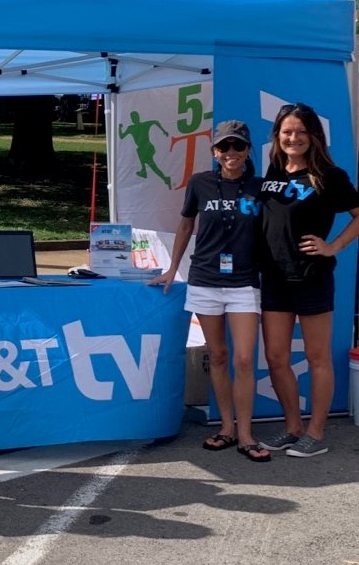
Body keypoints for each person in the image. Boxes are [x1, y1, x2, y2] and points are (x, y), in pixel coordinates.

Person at [150, 121, 267, 461]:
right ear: (215, 151)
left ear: (248, 151)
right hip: (205, 280)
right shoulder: (200, 183)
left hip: (244, 282)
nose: (231, 152)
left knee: (244, 359)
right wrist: (172, 268)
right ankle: (227, 427)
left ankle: (246, 434)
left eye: (238, 146)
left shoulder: (260, 186)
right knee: (217, 355)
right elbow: (186, 224)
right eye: (224, 147)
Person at [255, 102, 359, 458]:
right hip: (274, 278)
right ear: (277, 135)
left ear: (314, 136)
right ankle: (293, 427)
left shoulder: (330, 175)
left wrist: (333, 246)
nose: (293, 138)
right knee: (275, 357)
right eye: (287, 131)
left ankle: (316, 433)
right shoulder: (273, 170)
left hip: (312, 277)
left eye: (301, 131)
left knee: (317, 358)